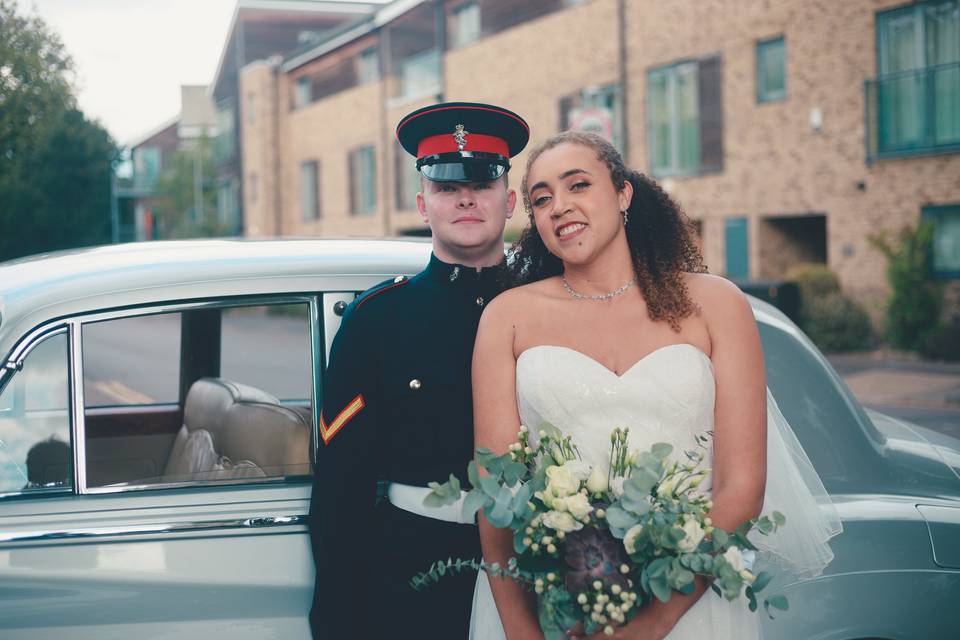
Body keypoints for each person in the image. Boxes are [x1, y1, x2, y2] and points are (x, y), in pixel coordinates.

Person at [469, 131, 841, 640]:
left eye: (578, 185)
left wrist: (651, 624)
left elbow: (741, 487)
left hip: (691, 606)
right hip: (554, 610)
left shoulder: (717, 305)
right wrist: (522, 631)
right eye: (541, 198)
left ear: (623, 195)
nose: (559, 206)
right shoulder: (507, 318)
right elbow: (497, 495)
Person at [308, 101, 530, 639]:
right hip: (411, 579)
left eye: (482, 182)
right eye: (446, 187)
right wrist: (338, 618)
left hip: (538, 572)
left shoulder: (549, 307)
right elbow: (341, 486)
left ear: (511, 200)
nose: (466, 197)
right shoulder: (377, 318)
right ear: (423, 204)